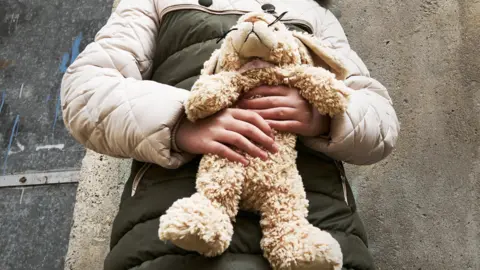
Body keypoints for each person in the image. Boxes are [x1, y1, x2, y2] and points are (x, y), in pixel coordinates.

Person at [60, 0, 399, 269]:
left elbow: (381, 119)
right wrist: (183, 118)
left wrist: (323, 116)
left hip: (315, 217)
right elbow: (85, 91)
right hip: (178, 211)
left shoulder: (314, 13)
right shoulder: (158, 2)